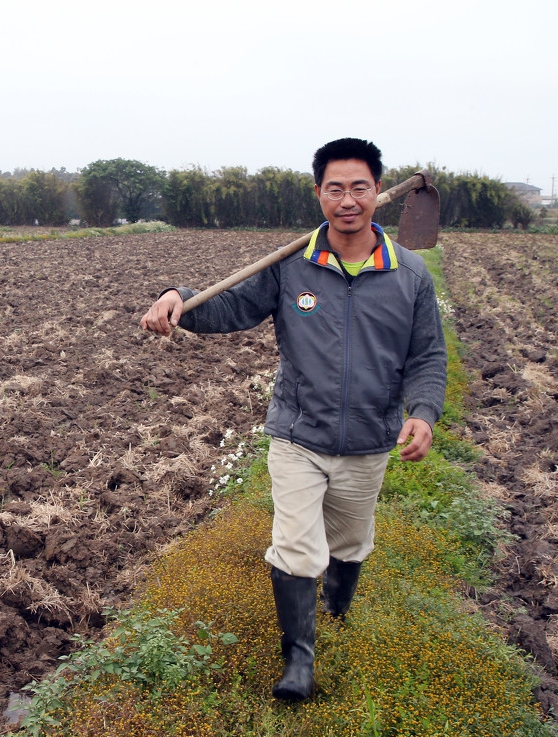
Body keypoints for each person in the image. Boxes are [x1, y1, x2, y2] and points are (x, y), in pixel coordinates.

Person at [139, 138, 447, 701]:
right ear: (319, 194)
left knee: (350, 542)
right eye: (335, 188)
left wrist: (422, 412)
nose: (347, 199)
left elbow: (427, 356)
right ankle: (298, 662)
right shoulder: (291, 267)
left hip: (369, 437)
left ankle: (335, 604)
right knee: (297, 546)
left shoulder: (410, 275)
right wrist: (176, 299)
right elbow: (229, 307)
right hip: (298, 434)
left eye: (359, 187)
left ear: (378, 191)